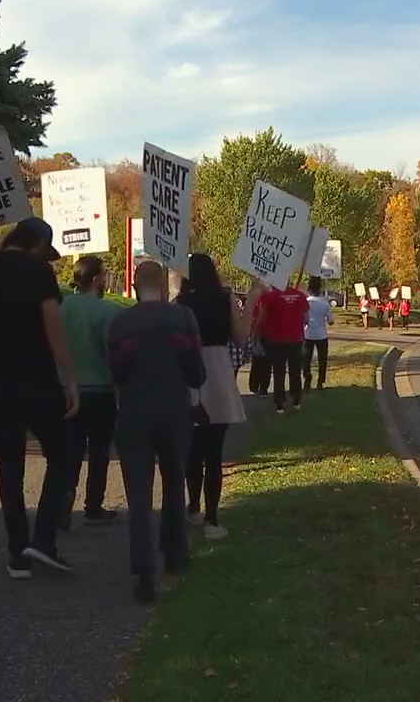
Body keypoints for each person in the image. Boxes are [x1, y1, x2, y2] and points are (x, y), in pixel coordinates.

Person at [0, 216, 79, 580]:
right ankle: (43, 539)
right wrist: (71, 376)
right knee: (61, 455)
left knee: (10, 464)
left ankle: (17, 554)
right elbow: (53, 327)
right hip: (36, 377)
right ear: (36, 244)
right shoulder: (38, 272)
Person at [108, 260, 207, 603]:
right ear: (165, 288)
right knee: (174, 480)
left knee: (139, 494)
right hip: (174, 411)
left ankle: (144, 571)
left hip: (134, 413)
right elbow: (197, 372)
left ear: (135, 287)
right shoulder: (182, 320)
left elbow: (117, 372)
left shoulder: (121, 324)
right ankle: (175, 550)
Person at [175, 254, 258, 540]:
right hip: (219, 372)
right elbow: (239, 336)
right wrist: (252, 301)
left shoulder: (181, 303)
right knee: (213, 453)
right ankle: (212, 518)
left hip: (188, 372)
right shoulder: (225, 299)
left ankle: (193, 507)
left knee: (192, 450)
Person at [58, 255, 121, 530]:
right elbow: (114, 354)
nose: (105, 279)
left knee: (70, 449)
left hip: (65, 389)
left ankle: (64, 496)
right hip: (100, 391)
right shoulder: (107, 312)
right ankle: (93, 506)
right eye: (104, 275)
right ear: (95, 279)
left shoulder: (60, 307)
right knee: (98, 451)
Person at [256, 282, 308, 413]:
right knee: (295, 372)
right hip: (296, 339)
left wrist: (255, 335)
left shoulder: (270, 296)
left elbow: (261, 319)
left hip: (276, 339)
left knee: (279, 372)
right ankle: (296, 400)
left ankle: (280, 404)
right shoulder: (301, 296)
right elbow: (306, 319)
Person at [303, 277, 334, 391]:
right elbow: (330, 321)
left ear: (309, 289)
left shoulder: (306, 302)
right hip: (321, 335)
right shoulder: (325, 303)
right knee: (322, 359)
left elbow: (302, 318)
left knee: (306, 359)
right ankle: (320, 381)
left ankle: (307, 377)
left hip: (308, 334)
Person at [247, 285, 271, 396]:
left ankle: (255, 385)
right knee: (265, 362)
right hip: (266, 332)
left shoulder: (259, 298)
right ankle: (262, 387)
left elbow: (252, 315)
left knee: (257, 361)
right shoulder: (266, 298)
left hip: (261, 332)